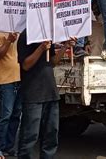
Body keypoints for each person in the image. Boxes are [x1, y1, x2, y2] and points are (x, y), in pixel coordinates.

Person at [17, 31, 75, 159]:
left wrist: (65, 46)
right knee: (30, 136)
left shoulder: (46, 34)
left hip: (50, 92)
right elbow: (26, 65)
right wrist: (41, 48)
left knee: (51, 135)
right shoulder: (25, 35)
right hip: (33, 93)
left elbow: (52, 62)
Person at [0, 31, 22, 159]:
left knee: (16, 115)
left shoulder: (19, 32)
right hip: (5, 81)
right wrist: (8, 40)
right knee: (5, 116)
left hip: (19, 79)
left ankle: (8, 147)